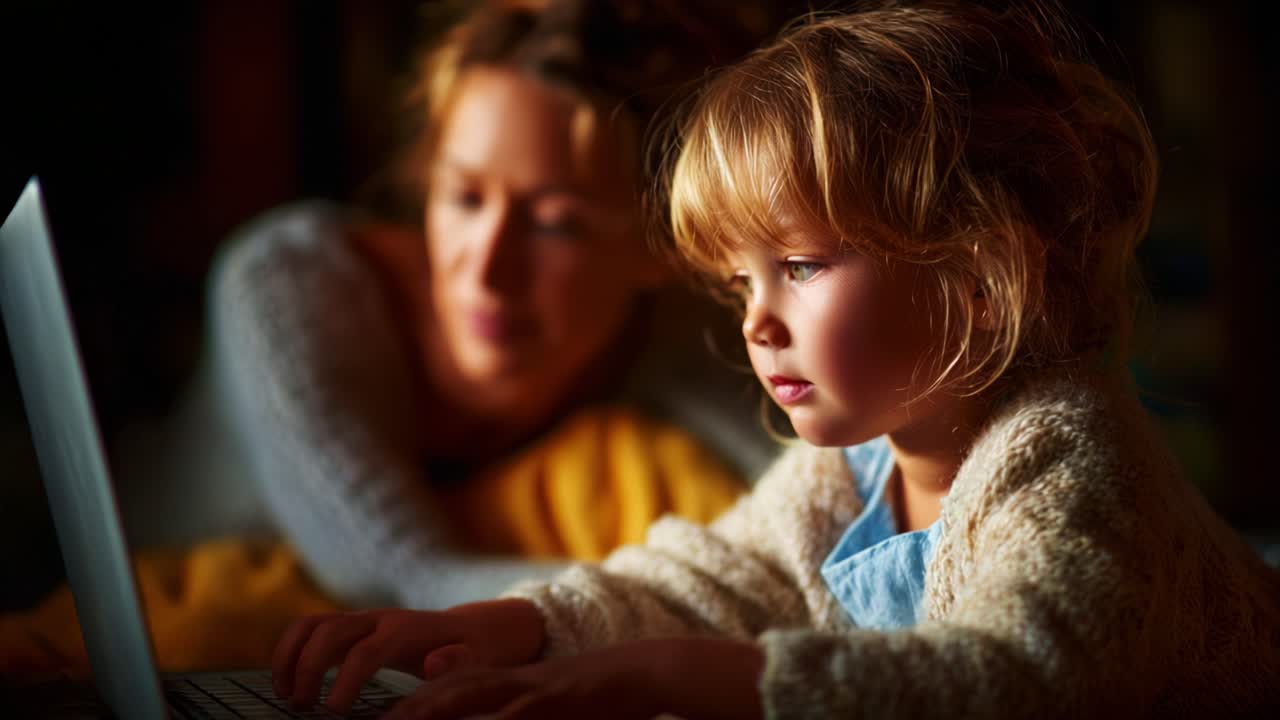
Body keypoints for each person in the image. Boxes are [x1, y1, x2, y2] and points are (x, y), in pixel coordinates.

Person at [268, 1, 1280, 717]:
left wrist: (666, 676)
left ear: (978, 277)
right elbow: (716, 580)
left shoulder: (1068, 457)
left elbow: (1013, 681)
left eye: (798, 266)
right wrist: (514, 626)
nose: (756, 321)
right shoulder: (861, 462)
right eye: (739, 281)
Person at [204, 0, 792, 612]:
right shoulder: (291, 286)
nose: (487, 271)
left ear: (663, 246)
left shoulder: (663, 324)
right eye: (464, 198)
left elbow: (827, 476)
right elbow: (405, 583)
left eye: (555, 224)